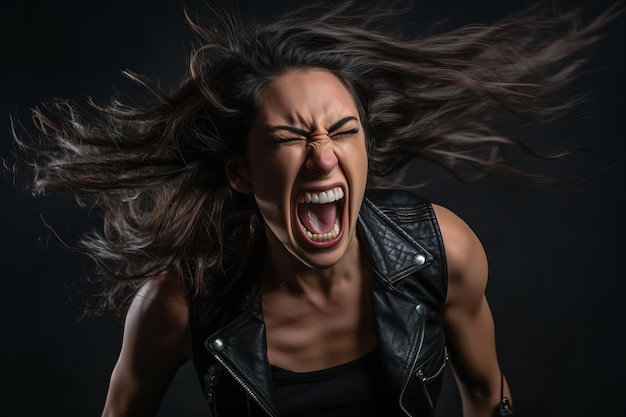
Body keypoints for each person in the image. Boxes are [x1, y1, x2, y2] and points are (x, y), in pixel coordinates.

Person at [8, 1, 619, 416]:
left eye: (343, 131)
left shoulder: (441, 250)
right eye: (288, 138)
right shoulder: (177, 303)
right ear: (240, 172)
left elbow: (488, 396)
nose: (324, 158)